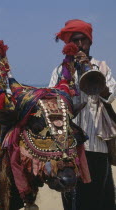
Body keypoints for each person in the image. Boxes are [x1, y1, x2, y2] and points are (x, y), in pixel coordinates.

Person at [49, 19, 116, 210]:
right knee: (71, 197)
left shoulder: (102, 67)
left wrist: (92, 73)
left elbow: (110, 96)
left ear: (90, 42)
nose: (79, 45)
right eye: (75, 40)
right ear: (68, 44)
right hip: (67, 148)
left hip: (96, 144)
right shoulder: (58, 71)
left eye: (83, 40)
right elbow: (51, 103)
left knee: (98, 196)